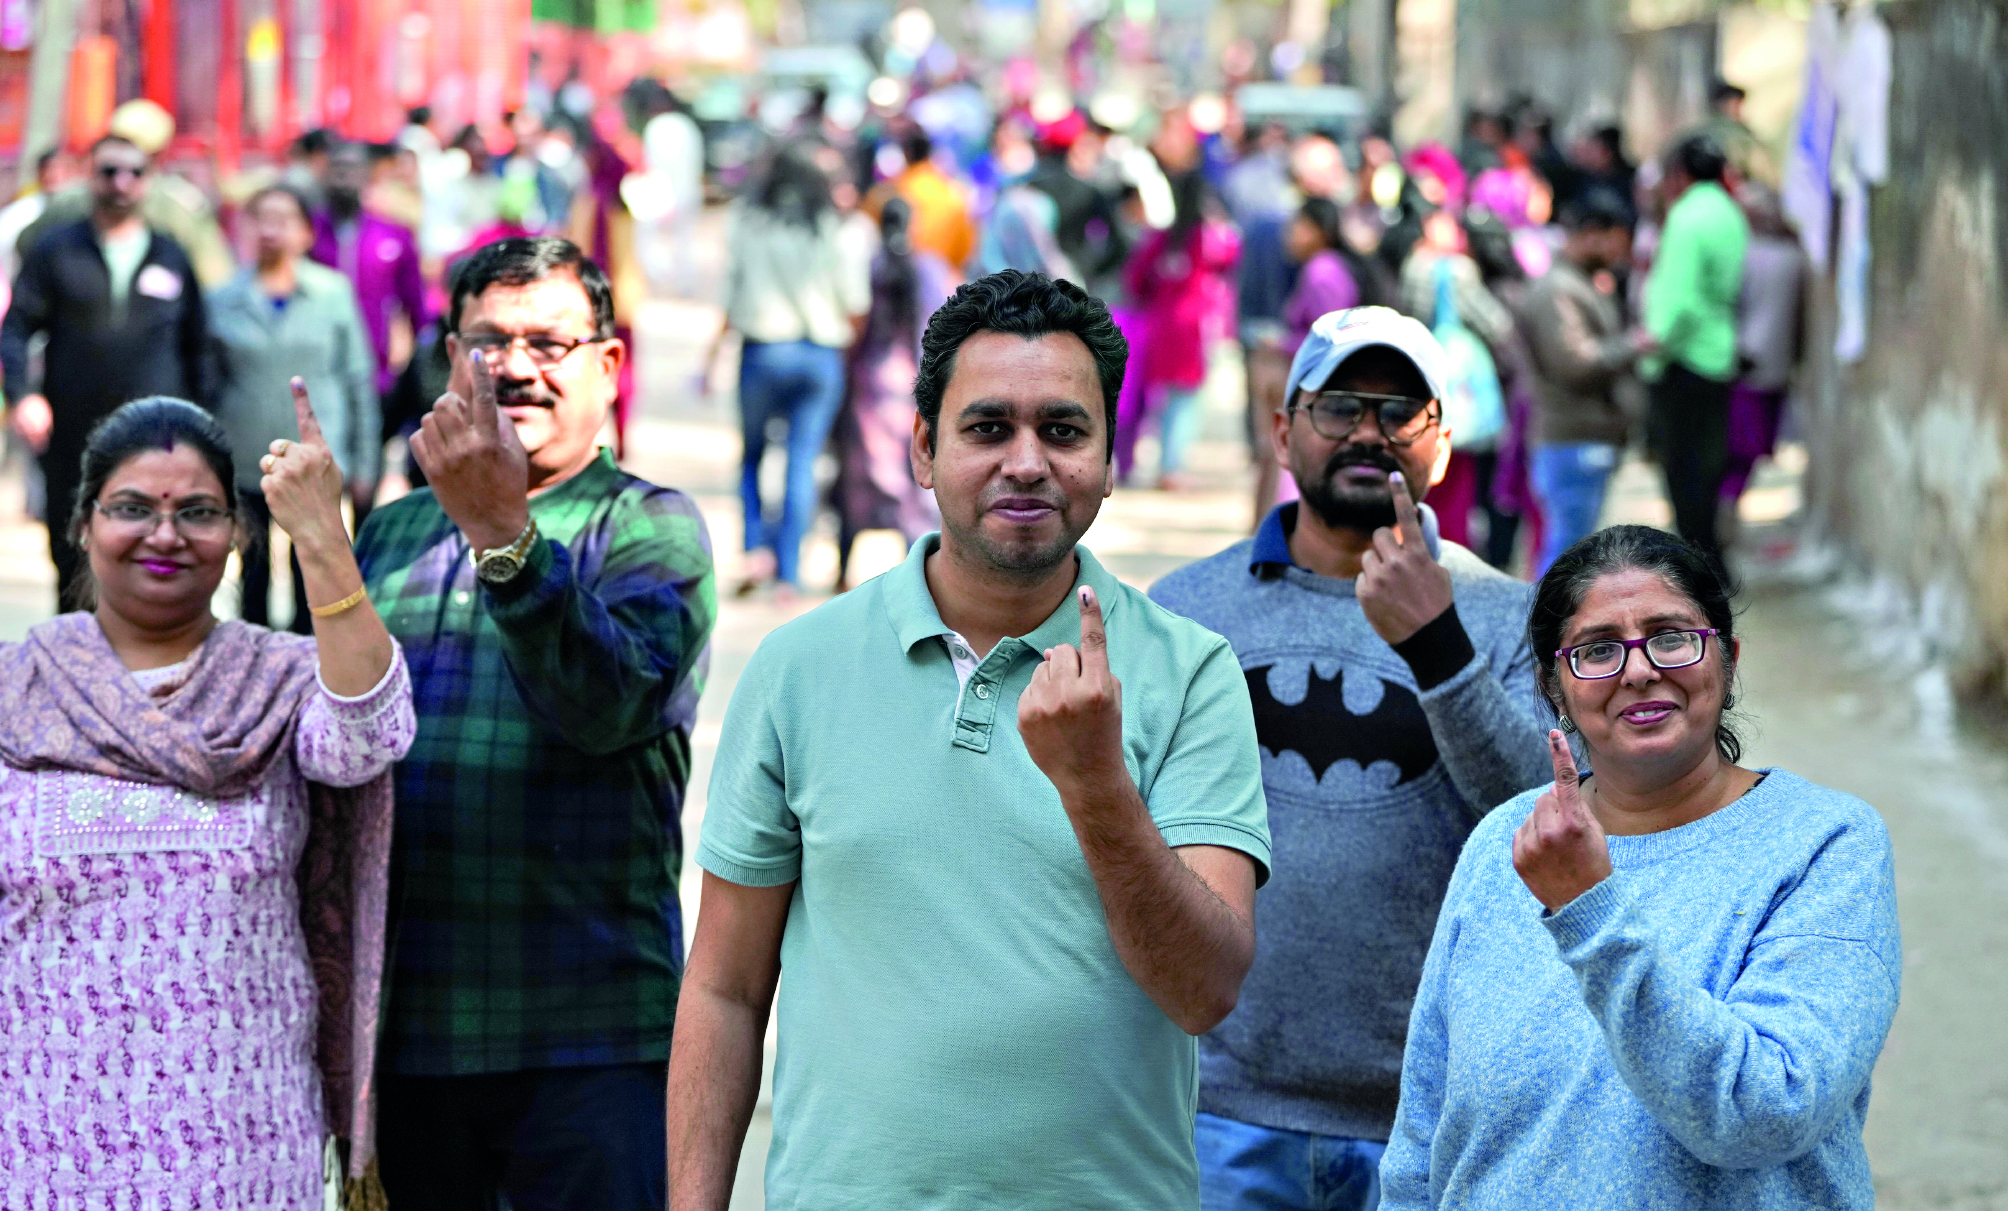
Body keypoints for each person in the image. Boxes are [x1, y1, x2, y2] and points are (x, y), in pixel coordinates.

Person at [669, 269, 1271, 1210]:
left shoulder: (1191, 672)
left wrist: (1096, 784)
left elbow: (1204, 992)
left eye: (1063, 431)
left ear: (1111, 458)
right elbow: (724, 989)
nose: (1026, 462)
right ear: (922, 447)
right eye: (988, 427)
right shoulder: (798, 668)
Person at [1149, 307, 1548, 1211]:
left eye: (1400, 411)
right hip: (1218, 1106)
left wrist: (1439, 644)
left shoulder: (1505, 615)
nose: (1369, 431)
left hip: (1436, 1114)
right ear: (1284, 430)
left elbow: (1545, 827)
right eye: (1340, 407)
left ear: (1441, 445)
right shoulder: (1185, 612)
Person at [1381, 524, 1899, 1208]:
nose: (1638, 669)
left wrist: (1590, 910)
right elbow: (1423, 1129)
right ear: (1554, 687)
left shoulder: (1823, 843)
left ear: (1729, 658)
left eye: (1671, 635)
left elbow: (1768, 1108)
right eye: (1597, 649)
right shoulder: (1506, 841)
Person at [354, 237, 715, 1209]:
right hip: (411, 1026)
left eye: (549, 343)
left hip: (588, 1026)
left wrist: (505, 537)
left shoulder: (649, 525)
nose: (515, 366)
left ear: (607, 364)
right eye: (488, 342)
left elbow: (605, 706)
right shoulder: (387, 533)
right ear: (448, 360)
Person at [0, 393, 414, 1208]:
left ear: (239, 533)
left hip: (241, 1150)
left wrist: (324, 536)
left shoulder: (284, 680)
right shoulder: (18, 687)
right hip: (40, 1144)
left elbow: (372, 732)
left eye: (198, 511)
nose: (165, 534)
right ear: (83, 524)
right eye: (132, 508)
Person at [2, 133, 209, 607]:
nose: (121, 183)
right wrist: (23, 396)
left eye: (134, 172)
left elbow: (198, 346)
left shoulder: (170, 254)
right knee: (71, 546)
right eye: (109, 171)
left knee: (151, 548)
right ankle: (73, 653)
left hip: (154, 435)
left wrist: (197, 426)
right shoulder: (57, 249)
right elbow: (16, 329)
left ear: (149, 181)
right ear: (90, 176)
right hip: (73, 427)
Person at [209, 183, 379, 629]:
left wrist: (366, 461)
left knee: (315, 575)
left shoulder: (332, 293)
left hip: (315, 464)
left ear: (305, 232)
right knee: (252, 576)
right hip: (246, 460)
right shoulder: (221, 301)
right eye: (260, 218)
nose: (270, 230)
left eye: (282, 220)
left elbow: (358, 378)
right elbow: (208, 385)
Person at [717, 147, 869, 597]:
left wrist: (711, 355)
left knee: (752, 456)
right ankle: (787, 573)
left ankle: (754, 552)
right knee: (801, 461)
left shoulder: (748, 222)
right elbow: (856, 302)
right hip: (819, 355)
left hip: (762, 350)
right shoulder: (832, 230)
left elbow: (731, 292)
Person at [1521, 196, 1652, 575]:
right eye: (1615, 241)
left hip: (1582, 440)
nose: (1619, 253)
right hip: (1572, 440)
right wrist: (1634, 345)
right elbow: (1574, 364)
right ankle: (1539, 635)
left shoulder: (1578, 283)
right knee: (1565, 558)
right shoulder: (1557, 290)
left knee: (1571, 554)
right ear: (1593, 235)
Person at [1642, 135, 1748, 576]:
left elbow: (1679, 298)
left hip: (1682, 358)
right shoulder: (1729, 212)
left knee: (1682, 472)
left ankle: (1699, 569)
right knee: (1707, 466)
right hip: (1718, 351)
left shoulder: (1686, 217)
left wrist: (1654, 339)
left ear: (1679, 176)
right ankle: (1712, 564)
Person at [831, 198, 948, 590]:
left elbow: (853, 322)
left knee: (856, 482)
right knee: (912, 484)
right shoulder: (927, 269)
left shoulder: (869, 266)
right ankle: (912, 574)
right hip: (914, 385)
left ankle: (843, 571)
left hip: (871, 384)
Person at [15, 100, 236, 289]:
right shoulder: (180, 204)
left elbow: (26, 245)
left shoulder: (69, 199)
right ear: (162, 150)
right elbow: (216, 277)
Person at [1120, 169, 1240, 490]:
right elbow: (1231, 258)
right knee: (1185, 399)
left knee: (1162, 397)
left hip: (1162, 323)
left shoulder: (1162, 238)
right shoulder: (1210, 237)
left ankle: (1159, 462)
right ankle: (1171, 465)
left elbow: (1135, 279)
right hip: (1195, 327)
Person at [312, 140, 429, 408]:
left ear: (367, 175)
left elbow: (415, 304)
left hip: (374, 367)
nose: (344, 177)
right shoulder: (307, 232)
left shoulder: (393, 234)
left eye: (352, 169)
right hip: (318, 364)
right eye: (337, 169)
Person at [1720, 184, 1806, 537]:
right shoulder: (1790, 256)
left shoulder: (1746, 255)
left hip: (1749, 364)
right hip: (1765, 365)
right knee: (1747, 450)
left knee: (1744, 449)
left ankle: (1726, 514)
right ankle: (1726, 515)